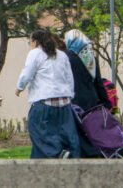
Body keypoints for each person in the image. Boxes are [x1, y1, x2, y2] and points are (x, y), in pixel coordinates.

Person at [16, 29, 80, 159]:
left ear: (35, 42)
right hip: (64, 103)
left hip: (45, 102)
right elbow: (69, 77)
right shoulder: (62, 55)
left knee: (37, 131)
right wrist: (70, 95)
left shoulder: (35, 53)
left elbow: (27, 73)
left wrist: (19, 87)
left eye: (30, 42)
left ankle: (57, 153)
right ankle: (70, 155)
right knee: (65, 134)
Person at [62, 29, 111, 158]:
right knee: (90, 129)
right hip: (91, 100)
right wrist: (106, 102)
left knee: (76, 130)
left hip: (74, 100)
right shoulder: (91, 57)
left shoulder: (66, 57)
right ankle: (93, 153)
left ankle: (80, 154)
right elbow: (98, 83)